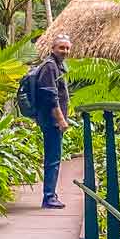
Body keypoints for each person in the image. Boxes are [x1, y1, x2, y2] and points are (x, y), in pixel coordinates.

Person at [35, 33, 71, 209]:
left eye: (67, 48)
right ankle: (49, 197)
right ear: (53, 48)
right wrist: (61, 120)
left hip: (52, 120)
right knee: (53, 158)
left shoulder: (57, 66)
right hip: (52, 121)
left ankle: (51, 195)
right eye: (61, 47)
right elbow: (51, 97)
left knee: (54, 156)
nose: (65, 51)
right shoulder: (50, 67)